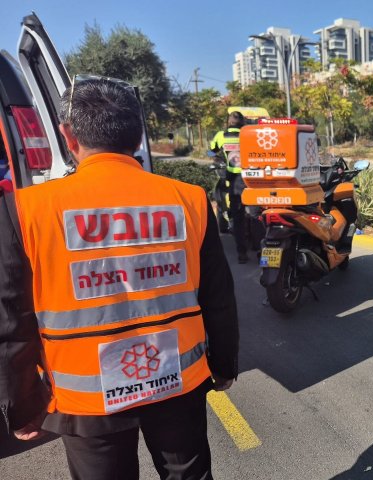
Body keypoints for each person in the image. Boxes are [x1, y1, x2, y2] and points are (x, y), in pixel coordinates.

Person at [2, 78, 239, 479]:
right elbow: (218, 297)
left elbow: (10, 321)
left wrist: (20, 405)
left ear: (68, 135)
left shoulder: (24, 210)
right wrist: (224, 364)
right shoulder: (189, 199)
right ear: (139, 134)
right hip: (178, 381)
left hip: (86, 398)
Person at [210, 111, 248, 263]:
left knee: (237, 217)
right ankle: (261, 250)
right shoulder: (248, 135)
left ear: (229, 122)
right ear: (242, 122)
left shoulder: (221, 135)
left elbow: (213, 149)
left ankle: (242, 254)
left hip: (234, 181)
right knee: (255, 214)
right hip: (253, 179)